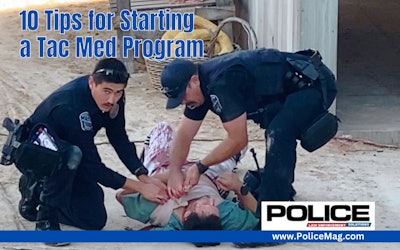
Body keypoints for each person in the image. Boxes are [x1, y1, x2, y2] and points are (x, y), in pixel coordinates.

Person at [160, 48, 337, 247]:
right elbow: (184, 134)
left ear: (194, 80)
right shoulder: (200, 89)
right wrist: (174, 170)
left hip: (312, 84)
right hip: (288, 91)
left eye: (183, 96)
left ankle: (272, 229)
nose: (184, 102)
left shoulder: (221, 82)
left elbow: (238, 140)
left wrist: (200, 166)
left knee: (278, 133)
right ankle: (280, 192)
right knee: (277, 130)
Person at [14, 58, 169, 233]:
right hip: (36, 155)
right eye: (107, 91)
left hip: (71, 156)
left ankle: (39, 192)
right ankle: (45, 216)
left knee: (93, 219)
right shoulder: (70, 107)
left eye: (118, 92)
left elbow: (118, 137)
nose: (112, 99)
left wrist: (143, 175)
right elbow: (93, 166)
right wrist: (141, 188)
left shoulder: (114, 97)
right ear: (91, 83)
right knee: (72, 155)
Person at [116, 122, 259, 236]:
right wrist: (239, 187)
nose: (211, 200)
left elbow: (120, 195)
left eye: (204, 204)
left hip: (163, 168)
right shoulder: (224, 216)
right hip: (208, 175)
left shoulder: (155, 207)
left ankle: (149, 159)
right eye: (214, 205)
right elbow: (264, 217)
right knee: (240, 142)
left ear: (187, 215)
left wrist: (163, 178)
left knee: (162, 128)